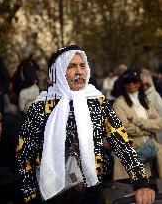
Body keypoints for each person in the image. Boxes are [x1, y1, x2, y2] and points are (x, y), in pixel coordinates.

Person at [16, 45, 155, 204]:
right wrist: (30, 196)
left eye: (82, 66)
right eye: (72, 66)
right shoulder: (40, 107)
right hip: (52, 195)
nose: (79, 71)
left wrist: (141, 182)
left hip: (92, 191)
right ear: (59, 72)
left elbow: (121, 142)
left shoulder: (97, 102)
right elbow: (25, 153)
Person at [113, 69, 162, 181]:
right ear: (123, 84)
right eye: (127, 82)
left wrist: (138, 121)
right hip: (135, 151)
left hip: (153, 149)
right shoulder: (119, 104)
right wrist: (148, 128)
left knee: (153, 188)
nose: (131, 84)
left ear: (139, 83)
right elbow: (124, 127)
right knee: (141, 190)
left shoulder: (146, 101)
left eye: (134, 81)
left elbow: (159, 124)